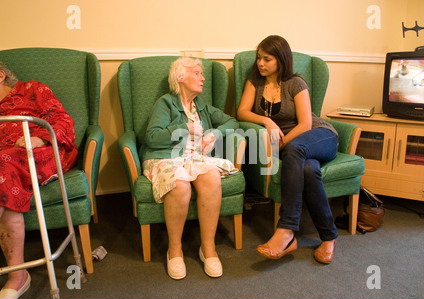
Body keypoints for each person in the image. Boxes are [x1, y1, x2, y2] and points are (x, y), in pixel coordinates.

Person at [237, 35, 339, 264]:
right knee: (308, 170)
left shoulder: (295, 82)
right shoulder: (256, 81)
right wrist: (267, 121)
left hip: (320, 136)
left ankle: (286, 230)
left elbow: (306, 124)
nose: (260, 63)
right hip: (297, 149)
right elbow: (242, 112)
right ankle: (329, 236)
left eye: (267, 59)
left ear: (281, 59)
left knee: (295, 150)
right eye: (258, 58)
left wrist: (281, 145)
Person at [140, 57, 238, 279]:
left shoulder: (201, 106)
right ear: (180, 77)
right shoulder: (165, 103)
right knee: (180, 185)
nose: (202, 77)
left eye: (201, 73)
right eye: (196, 73)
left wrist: (215, 133)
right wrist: (183, 127)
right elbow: (152, 138)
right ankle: (174, 251)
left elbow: (232, 121)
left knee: (212, 176)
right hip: (165, 158)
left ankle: (208, 249)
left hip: (194, 158)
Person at [0, 62, 78, 299]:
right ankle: (18, 275)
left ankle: (17, 276)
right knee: (5, 182)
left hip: (42, 151)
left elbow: (63, 121)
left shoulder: (33, 89)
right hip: (6, 166)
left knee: (4, 166)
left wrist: (41, 139)